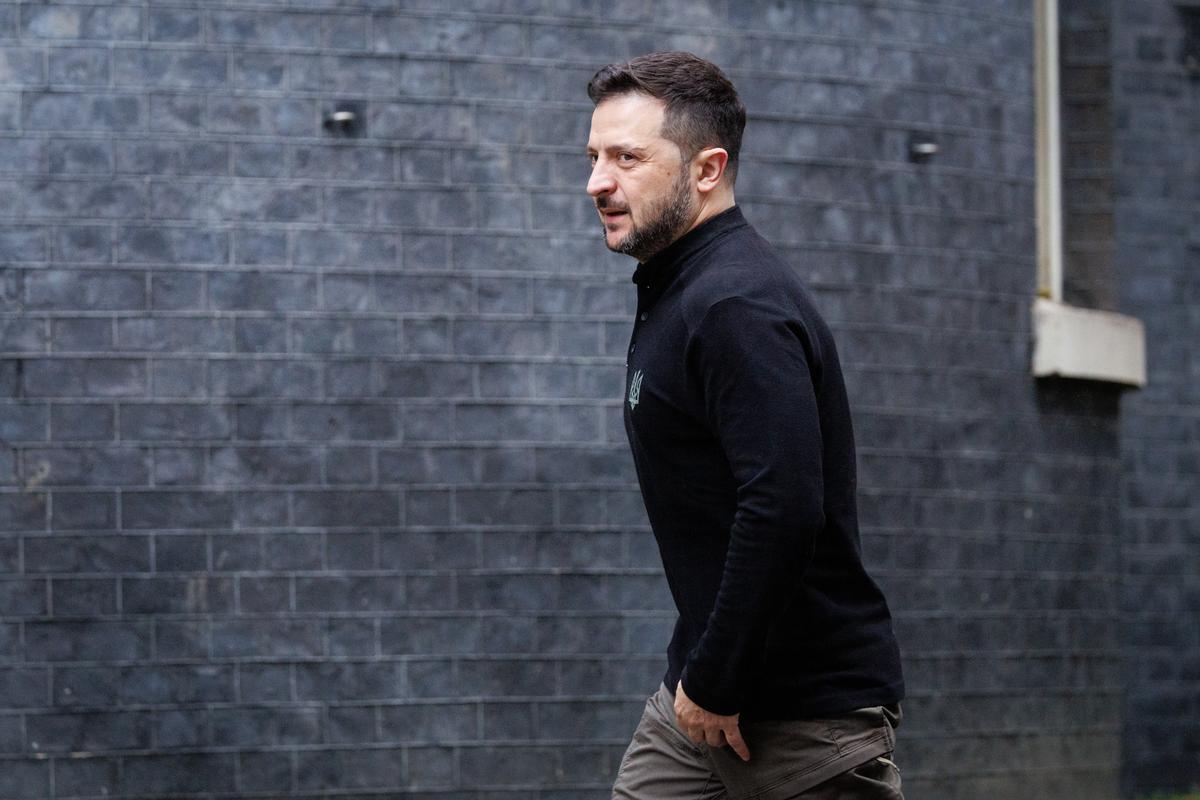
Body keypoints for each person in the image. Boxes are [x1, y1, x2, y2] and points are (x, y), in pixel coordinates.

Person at [585, 52, 906, 798]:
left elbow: (786, 506)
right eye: (595, 156)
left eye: (627, 157)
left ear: (707, 170)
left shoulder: (735, 305)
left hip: (802, 719)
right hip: (697, 697)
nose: (598, 181)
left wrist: (718, 677)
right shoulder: (683, 288)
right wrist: (703, 674)